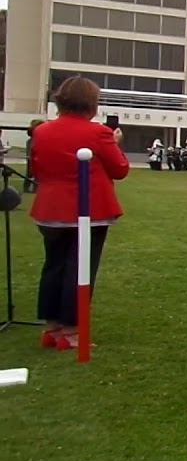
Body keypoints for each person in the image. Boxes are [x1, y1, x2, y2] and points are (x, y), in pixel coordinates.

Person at [28, 77, 130, 352]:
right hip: (88, 209)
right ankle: (72, 331)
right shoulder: (97, 133)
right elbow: (119, 169)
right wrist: (115, 142)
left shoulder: (42, 132)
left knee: (53, 266)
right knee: (80, 268)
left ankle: (52, 326)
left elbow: (37, 169)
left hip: (50, 208)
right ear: (91, 103)